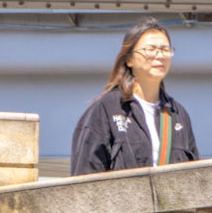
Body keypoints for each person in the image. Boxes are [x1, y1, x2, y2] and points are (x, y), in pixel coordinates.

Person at [70, 18, 200, 173]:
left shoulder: (178, 114)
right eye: (150, 49)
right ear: (129, 59)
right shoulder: (106, 109)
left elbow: (194, 176)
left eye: (165, 50)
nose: (159, 55)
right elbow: (85, 173)